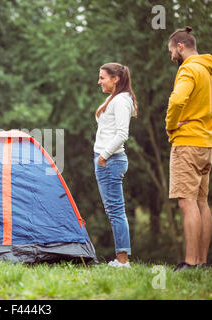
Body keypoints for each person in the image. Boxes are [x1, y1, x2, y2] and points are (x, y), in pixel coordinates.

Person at [166, 27, 212, 271]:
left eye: (171, 50)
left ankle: (190, 263)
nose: (171, 56)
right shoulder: (210, 70)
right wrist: (203, 120)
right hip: (206, 143)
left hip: (187, 142)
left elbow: (177, 100)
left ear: (180, 46)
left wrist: (171, 125)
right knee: (202, 202)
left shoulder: (188, 68)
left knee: (186, 202)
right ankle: (201, 262)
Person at [94, 62, 137, 268]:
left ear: (116, 79)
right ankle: (121, 259)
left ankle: (123, 261)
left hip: (111, 161)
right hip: (107, 160)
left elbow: (122, 134)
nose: (99, 81)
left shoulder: (121, 100)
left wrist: (103, 156)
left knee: (116, 211)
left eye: (103, 77)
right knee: (113, 211)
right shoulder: (114, 98)